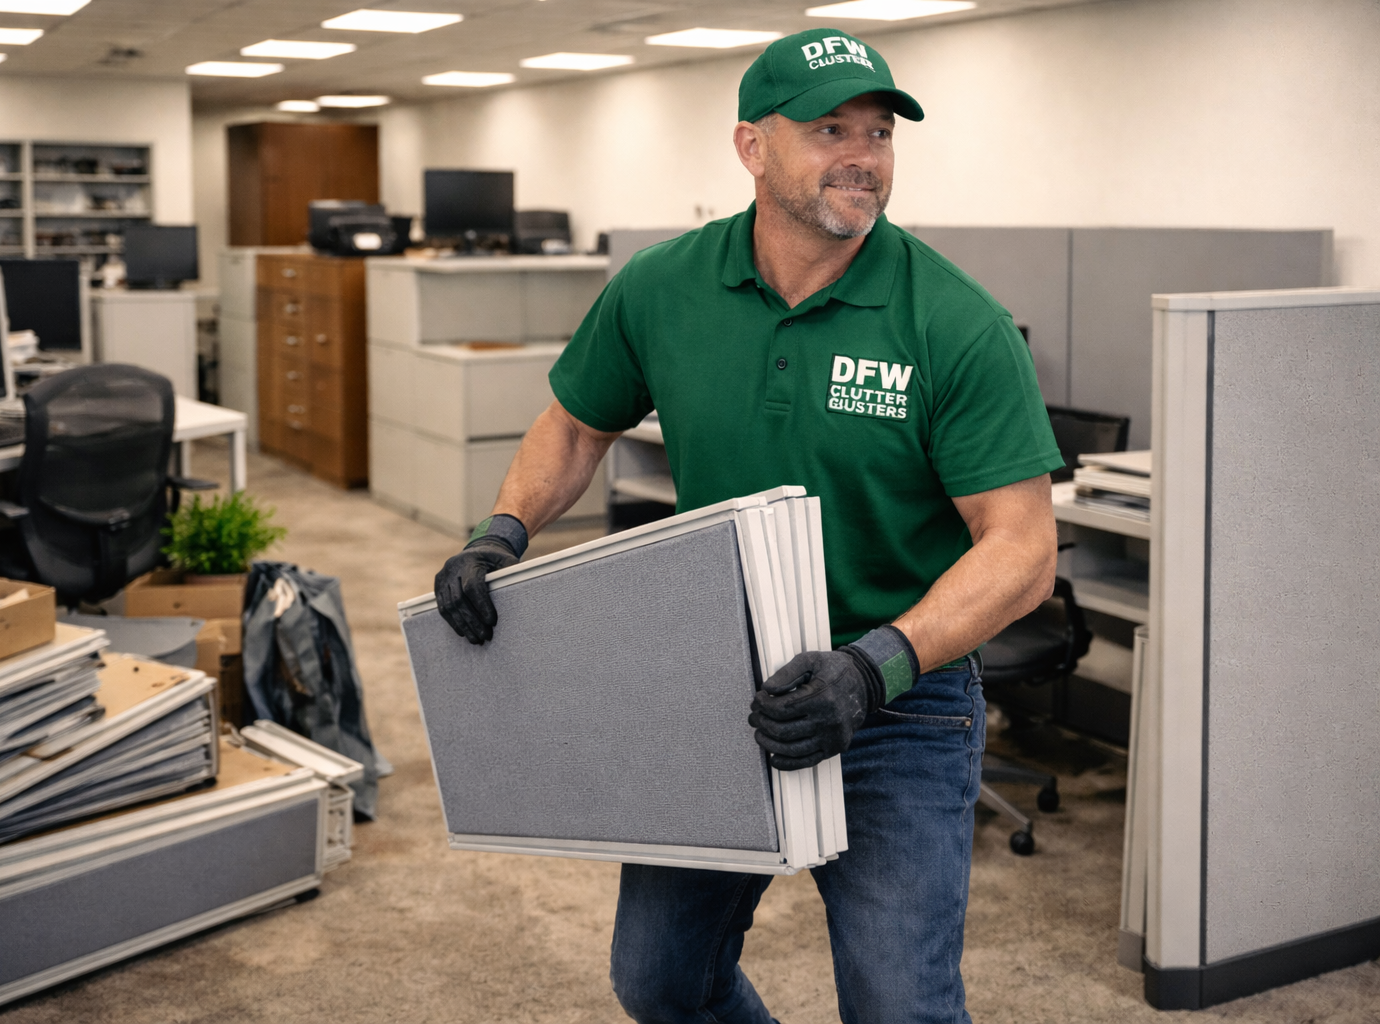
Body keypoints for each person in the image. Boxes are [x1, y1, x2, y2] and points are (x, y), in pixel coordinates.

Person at [433, 26, 1063, 1024]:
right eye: (828, 129)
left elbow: (1023, 551)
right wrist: (500, 530)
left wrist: (872, 667)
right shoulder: (662, 286)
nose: (863, 155)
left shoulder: (954, 322)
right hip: (718, 680)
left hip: (900, 697)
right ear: (751, 147)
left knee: (903, 1007)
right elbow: (575, 422)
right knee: (661, 981)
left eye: (879, 133)